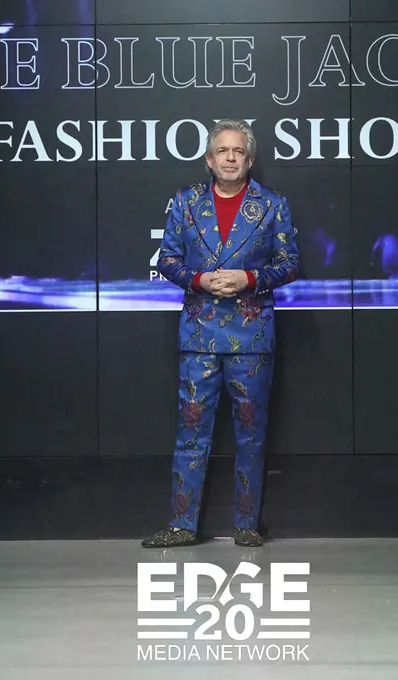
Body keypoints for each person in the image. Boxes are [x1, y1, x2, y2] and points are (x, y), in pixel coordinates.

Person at [142, 119, 300, 548]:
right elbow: (168, 259)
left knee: (251, 432)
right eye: (223, 151)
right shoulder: (186, 201)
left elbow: (290, 263)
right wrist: (199, 280)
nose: (231, 158)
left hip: (252, 335)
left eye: (238, 151)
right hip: (199, 333)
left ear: (250, 159)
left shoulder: (271, 204)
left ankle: (247, 524)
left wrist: (250, 278)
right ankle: (182, 525)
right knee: (191, 430)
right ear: (209, 160)